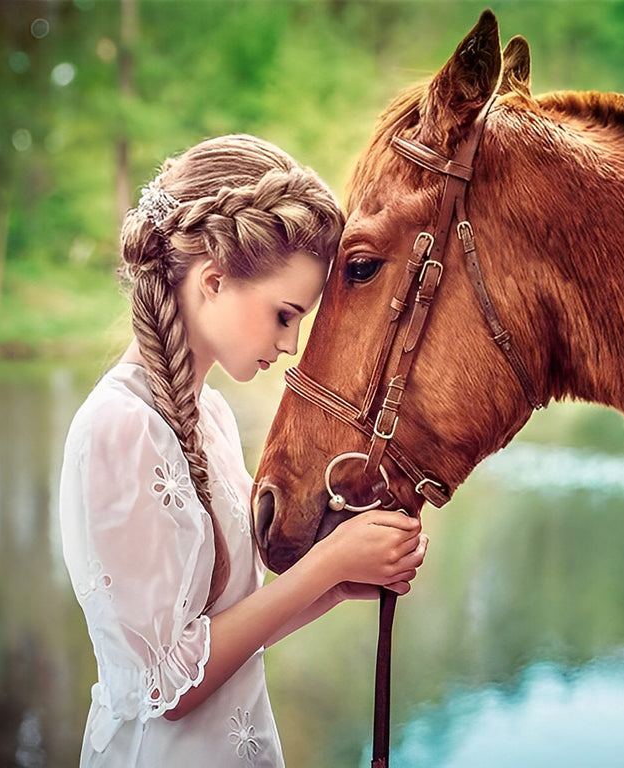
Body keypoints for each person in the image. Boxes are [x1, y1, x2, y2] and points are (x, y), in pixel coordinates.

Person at [58, 134, 428, 767]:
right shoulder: (120, 427)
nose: (290, 344)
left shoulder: (213, 417)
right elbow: (169, 687)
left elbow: (224, 638)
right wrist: (327, 562)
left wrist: (340, 581)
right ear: (214, 280)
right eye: (285, 314)